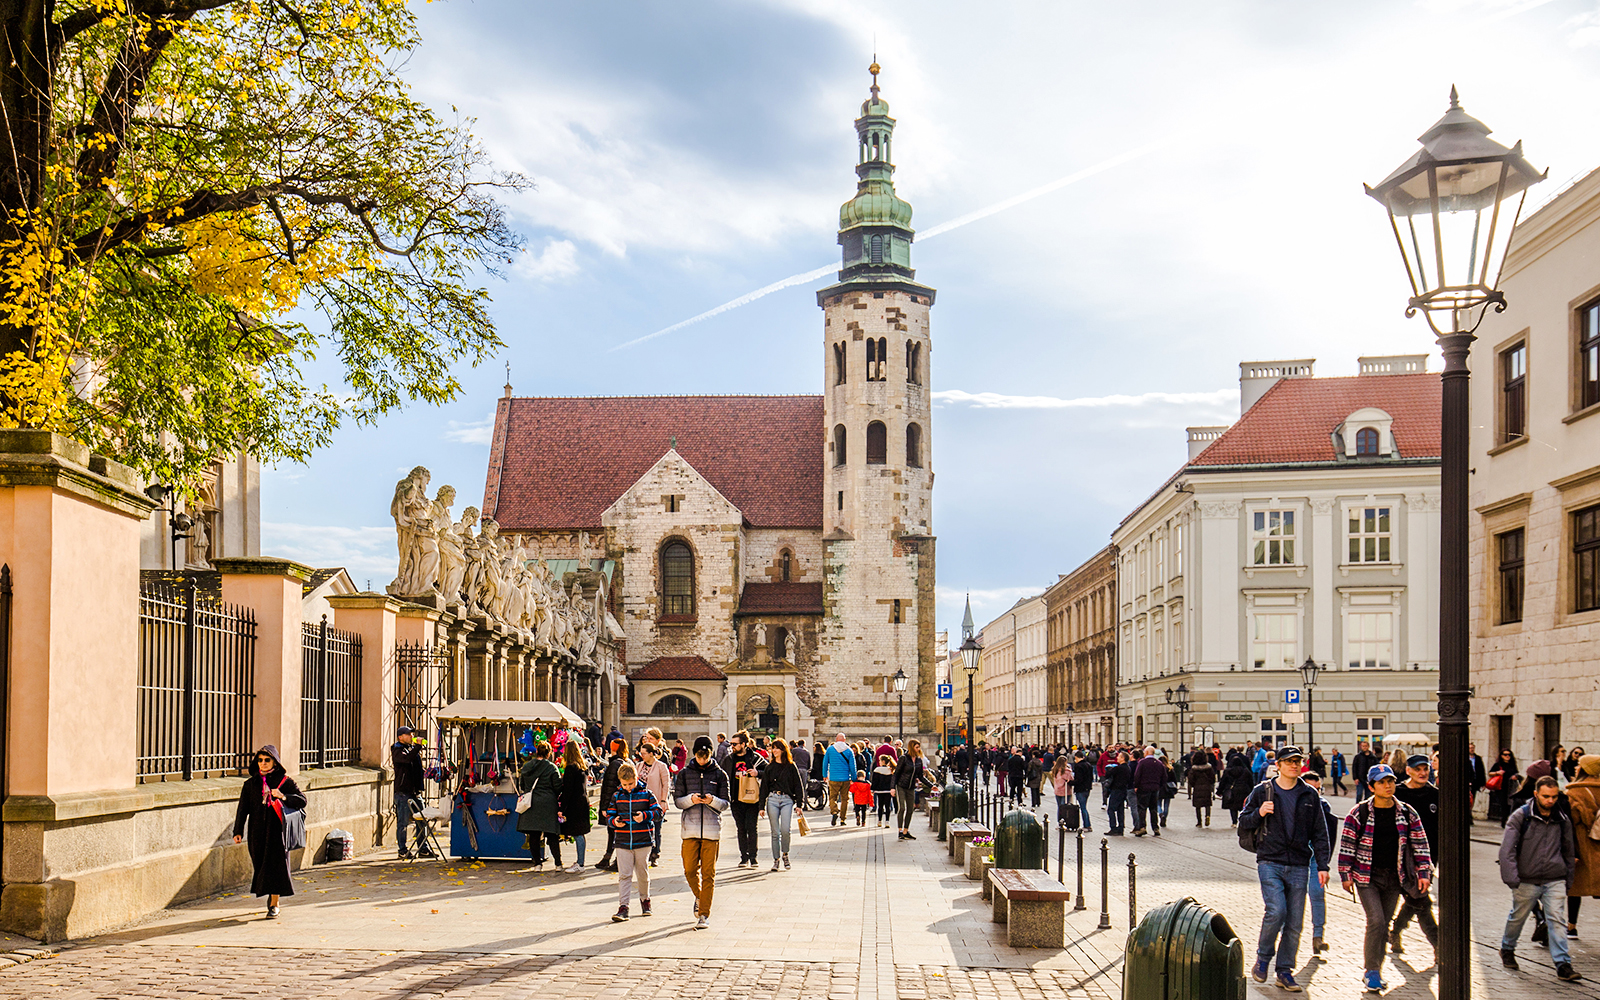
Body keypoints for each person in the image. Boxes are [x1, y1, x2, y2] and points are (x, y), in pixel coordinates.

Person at [1238, 746, 1330, 993]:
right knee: (1276, 910)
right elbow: (1243, 823)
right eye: (1288, 761)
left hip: (1299, 863)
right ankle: (1263, 958)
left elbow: (1320, 832)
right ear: (1277, 765)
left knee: (1295, 921)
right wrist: (1259, 812)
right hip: (1270, 861)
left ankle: (1285, 971)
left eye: (1298, 761)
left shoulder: (1309, 794)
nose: (1294, 765)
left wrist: (1323, 865)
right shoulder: (1263, 791)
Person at [1337, 764, 1433, 993]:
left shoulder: (1407, 813)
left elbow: (1420, 844)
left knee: (1384, 924)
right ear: (1371, 787)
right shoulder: (1358, 813)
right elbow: (1347, 845)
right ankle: (1371, 971)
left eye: (1390, 781)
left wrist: (1424, 873)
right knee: (1377, 921)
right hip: (1366, 875)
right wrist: (1345, 874)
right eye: (1381, 782)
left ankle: (1376, 971)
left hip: (1394, 877)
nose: (1387, 786)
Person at [1499, 776, 1584, 981]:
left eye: (1554, 796)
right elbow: (1507, 850)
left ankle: (1563, 964)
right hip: (1527, 879)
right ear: (1536, 794)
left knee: (1556, 919)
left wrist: (1568, 879)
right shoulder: (1521, 816)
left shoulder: (1562, 818)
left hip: (1555, 877)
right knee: (1517, 917)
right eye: (1546, 796)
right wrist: (1513, 879)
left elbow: (1568, 850)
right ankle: (1507, 948)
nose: (1550, 800)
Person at [231, 745, 305, 919]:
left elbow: (302, 800)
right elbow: (242, 810)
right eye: (260, 760)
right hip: (257, 833)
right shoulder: (250, 784)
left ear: (275, 762)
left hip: (278, 833)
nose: (263, 764)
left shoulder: (285, 781)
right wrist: (238, 830)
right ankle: (270, 896)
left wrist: (283, 796)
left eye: (267, 760)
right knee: (261, 866)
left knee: (276, 867)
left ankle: (274, 903)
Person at [673, 736, 729, 930]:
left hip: (712, 830)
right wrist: (692, 799)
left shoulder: (720, 775)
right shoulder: (684, 774)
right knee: (689, 870)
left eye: (705, 756)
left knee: (708, 873)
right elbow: (678, 801)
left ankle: (704, 913)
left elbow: (725, 804)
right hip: (690, 829)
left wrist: (712, 800)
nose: (702, 760)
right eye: (699, 756)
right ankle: (700, 896)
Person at [1389, 754, 1440, 959]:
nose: (1422, 773)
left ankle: (1395, 932)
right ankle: (1439, 944)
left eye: (1425, 768)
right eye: (1417, 769)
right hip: (1401, 856)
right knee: (1420, 899)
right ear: (1408, 770)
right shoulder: (1398, 793)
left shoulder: (1435, 794)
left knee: (1415, 897)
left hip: (1426, 857)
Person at [605, 761, 662, 921]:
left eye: (631, 783)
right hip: (623, 841)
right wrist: (614, 822)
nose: (628, 787)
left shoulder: (647, 794)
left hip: (642, 840)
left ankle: (645, 900)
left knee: (642, 873)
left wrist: (644, 816)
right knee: (624, 874)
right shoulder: (617, 796)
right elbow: (609, 815)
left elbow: (658, 812)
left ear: (636, 778)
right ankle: (623, 907)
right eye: (624, 784)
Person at [1300, 771, 1338, 956]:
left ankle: (1318, 937)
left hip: (1315, 858)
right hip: (1296, 858)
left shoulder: (1324, 806)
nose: (1315, 793)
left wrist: (1325, 861)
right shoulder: (1294, 803)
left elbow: (1329, 836)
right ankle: (1286, 936)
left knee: (1317, 894)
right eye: (1311, 789)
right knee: (1292, 899)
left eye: (1318, 789)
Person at [758, 739, 804, 871]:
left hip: (787, 800)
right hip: (772, 799)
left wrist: (799, 804)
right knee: (774, 832)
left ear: (783, 750)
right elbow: (764, 788)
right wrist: (761, 806)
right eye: (773, 748)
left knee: (785, 830)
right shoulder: (769, 767)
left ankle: (785, 854)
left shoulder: (791, 766)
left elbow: (798, 786)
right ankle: (776, 859)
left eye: (777, 748)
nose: (775, 750)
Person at [516, 741, 563, 870]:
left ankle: (537, 864)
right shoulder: (552, 767)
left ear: (537, 752)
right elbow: (558, 786)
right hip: (548, 803)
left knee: (534, 835)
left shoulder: (527, 766)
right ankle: (558, 864)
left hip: (531, 803)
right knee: (552, 834)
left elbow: (522, 785)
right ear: (549, 754)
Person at [723, 730, 766, 867]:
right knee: (740, 828)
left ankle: (753, 857)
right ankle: (744, 857)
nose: (732, 746)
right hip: (736, 799)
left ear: (743, 744)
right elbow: (720, 776)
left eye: (735, 744)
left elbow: (769, 772)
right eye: (731, 744)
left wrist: (757, 772)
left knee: (752, 828)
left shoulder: (755, 758)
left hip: (752, 799)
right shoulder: (729, 760)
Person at [391, 725, 429, 860]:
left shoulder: (411, 749)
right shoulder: (397, 749)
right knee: (403, 822)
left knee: (422, 819)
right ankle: (402, 849)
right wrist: (418, 747)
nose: (412, 736)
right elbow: (406, 760)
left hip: (415, 791)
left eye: (412, 734)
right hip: (403, 792)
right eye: (408, 734)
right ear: (400, 737)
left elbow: (417, 766)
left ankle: (423, 848)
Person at [593, 737, 629, 871]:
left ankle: (613, 859)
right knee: (614, 832)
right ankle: (609, 858)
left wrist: (605, 807)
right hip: (618, 803)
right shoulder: (622, 762)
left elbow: (609, 787)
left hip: (614, 805)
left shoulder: (615, 764)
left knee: (613, 832)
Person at [558, 739, 593, 874]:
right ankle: (580, 861)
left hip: (574, 804)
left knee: (578, 833)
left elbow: (568, 790)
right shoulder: (582, 767)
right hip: (583, 802)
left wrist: (561, 808)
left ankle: (580, 863)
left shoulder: (570, 768)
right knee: (580, 833)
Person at [636, 742, 671, 866]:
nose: (642, 755)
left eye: (644, 753)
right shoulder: (639, 766)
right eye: (641, 753)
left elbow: (666, 784)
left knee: (657, 828)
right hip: (641, 802)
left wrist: (663, 800)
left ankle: (655, 853)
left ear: (651, 754)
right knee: (645, 829)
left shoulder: (661, 766)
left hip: (656, 803)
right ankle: (645, 852)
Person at [893, 739, 933, 840]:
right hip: (901, 785)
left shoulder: (919, 760)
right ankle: (900, 830)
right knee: (902, 807)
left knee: (910, 809)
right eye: (916, 747)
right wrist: (892, 787)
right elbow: (896, 773)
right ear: (912, 747)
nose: (918, 749)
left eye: (919, 747)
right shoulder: (904, 758)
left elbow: (921, 776)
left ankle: (906, 831)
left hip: (911, 787)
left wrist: (931, 785)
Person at [1132, 746, 1166, 837]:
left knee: (1142, 808)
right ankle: (1155, 827)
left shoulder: (1142, 762)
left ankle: (1142, 827)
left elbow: (1137, 775)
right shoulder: (1159, 763)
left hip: (1143, 788)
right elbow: (1164, 776)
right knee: (1153, 808)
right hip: (1155, 788)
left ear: (1146, 753)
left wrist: (1136, 786)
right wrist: (1159, 786)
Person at [824, 734, 856, 826]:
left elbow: (825, 763)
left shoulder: (830, 749)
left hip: (833, 778)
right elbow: (853, 766)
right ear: (844, 740)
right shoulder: (849, 750)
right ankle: (843, 819)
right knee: (845, 799)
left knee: (832, 797)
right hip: (845, 778)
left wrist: (825, 775)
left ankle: (834, 811)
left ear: (836, 739)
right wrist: (853, 778)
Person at [1489, 748, 1520, 825]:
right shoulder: (1498, 765)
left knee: (1510, 804)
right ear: (1501, 756)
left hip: (1510, 787)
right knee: (1503, 804)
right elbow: (1490, 773)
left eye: (1509, 755)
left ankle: (1508, 819)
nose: (1507, 756)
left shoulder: (1512, 765)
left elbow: (1516, 773)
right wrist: (1497, 772)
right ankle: (1503, 820)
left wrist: (1515, 777)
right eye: (1505, 755)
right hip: (1501, 787)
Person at [1187, 748, 1216, 828]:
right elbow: (1212, 778)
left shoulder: (1194, 768)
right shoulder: (1209, 767)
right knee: (1207, 803)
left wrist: (1193, 785)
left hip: (1197, 787)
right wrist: (1210, 783)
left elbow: (1191, 779)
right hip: (1207, 787)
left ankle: (1199, 822)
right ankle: (1207, 815)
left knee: (1197, 805)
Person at [1107, 750, 1132, 835]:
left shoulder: (1118, 768)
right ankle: (1121, 828)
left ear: (1123, 758)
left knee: (1111, 809)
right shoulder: (1128, 768)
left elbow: (1108, 774)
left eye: (1119, 756)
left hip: (1116, 790)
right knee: (1120, 810)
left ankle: (1113, 827)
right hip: (1123, 790)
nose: (1117, 757)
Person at [871, 754, 895, 827]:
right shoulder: (891, 770)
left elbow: (874, 781)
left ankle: (879, 821)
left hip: (879, 790)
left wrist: (872, 789)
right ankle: (887, 821)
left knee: (880, 806)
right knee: (888, 806)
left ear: (883, 761)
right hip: (888, 790)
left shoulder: (877, 770)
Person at [1467, 742, 1487, 819]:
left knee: (1472, 798)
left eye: (1472, 748)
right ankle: (1468, 815)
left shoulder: (1478, 758)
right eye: (1470, 748)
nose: (1471, 750)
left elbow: (1481, 770)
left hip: (1475, 781)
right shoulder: (1465, 758)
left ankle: (1470, 813)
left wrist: (1483, 782)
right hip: (1468, 780)